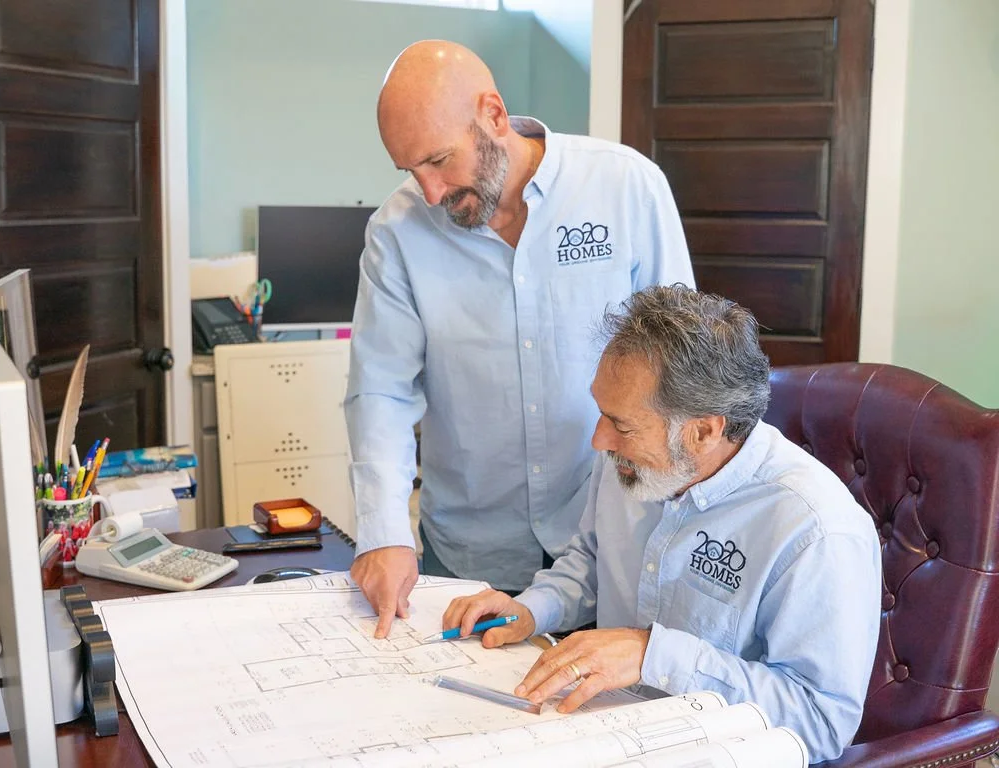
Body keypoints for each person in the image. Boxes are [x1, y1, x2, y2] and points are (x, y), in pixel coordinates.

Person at [442, 284, 882, 764]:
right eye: (601, 413)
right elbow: (591, 561)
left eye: (621, 425)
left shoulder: (816, 529)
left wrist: (653, 654)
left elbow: (820, 720)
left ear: (703, 431)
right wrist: (529, 611)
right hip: (603, 728)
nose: (598, 440)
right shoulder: (629, 462)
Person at [346, 40, 694, 638]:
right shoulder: (397, 232)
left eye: (439, 160)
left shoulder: (625, 186)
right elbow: (380, 391)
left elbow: (683, 364)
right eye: (411, 170)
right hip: (470, 554)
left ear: (494, 115)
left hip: (614, 538)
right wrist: (384, 533)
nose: (430, 191)